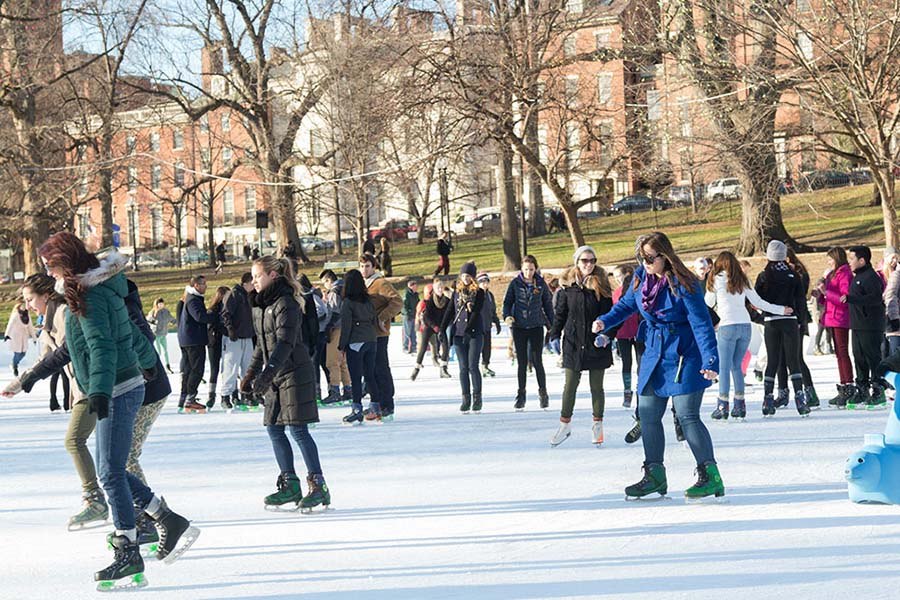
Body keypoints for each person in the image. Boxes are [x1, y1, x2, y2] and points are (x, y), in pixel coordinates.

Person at [38, 233, 197, 589]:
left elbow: (104, 345)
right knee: (113, 469)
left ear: (67, 262)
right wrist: (147, 359)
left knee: (112, 471)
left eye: (50, 266)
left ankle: (129, 548)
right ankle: (165, 518)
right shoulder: (94, 288)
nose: (48, 274)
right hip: (126, 384)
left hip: (119, 389)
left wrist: (98, 391)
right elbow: (121, 333)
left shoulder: (90, 294)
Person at [594, 231, 724, 501]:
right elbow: (627, 305)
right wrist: (605, 321)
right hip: (654, 351)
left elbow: (701, 323)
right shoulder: (641, 279)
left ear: (665, 256)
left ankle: (710, 475)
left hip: (684, 353)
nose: (645, 263)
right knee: (648, 413)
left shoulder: (684, 283)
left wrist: (711, 359)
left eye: (650, 258)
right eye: (640, 257)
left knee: (687, 416)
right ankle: (655, 474)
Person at [4, 273, 105, 528]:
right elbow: (45, 357)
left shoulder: (62, 313)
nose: (27, 305)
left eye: (30, 299)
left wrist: (26, 381)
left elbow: (65, 352)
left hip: (93, 386)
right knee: (112, 456)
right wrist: (19, 383)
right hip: (83, 388)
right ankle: (140, 510)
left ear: (46, 295)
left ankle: (96, 499)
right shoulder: (47, 320)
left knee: (75, 441)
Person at [240, 256, 330, 512]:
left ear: (273, 275)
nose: (254, 281)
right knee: (274, 429)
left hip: (294, 373)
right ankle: (290, 484)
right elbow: (262, 347)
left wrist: (266, 374)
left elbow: (285, 343)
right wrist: (250, 375)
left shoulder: (286, 302)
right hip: (275, 375)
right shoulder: (260, 306)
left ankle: (319, 485)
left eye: (257, 276)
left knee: (298, 430)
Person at [705, 251, 791, 421]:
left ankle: (723, 405)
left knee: (724, 367)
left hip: (727, 325)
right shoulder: (742, 279)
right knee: (736, 366)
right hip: (745, 326)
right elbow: (758, 302)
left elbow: (706, 303)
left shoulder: (715, 279)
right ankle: (739, 405)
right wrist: (782, 309)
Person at [549, 246, 615, 446]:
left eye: (592, 260)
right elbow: (560, 315)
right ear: (577, 262)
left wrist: (606, 335)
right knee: (570, 385)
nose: (588, 264)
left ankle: (597, 425)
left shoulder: (602, 287)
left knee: (597, 387)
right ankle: (564, 425)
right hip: (573, 343)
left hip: (595, 343)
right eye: (584, 260)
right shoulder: (566, 289)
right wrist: (553, 335)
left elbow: (612, 317)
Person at [754, 240, 810, 417]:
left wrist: (762, 315)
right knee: (793, 361)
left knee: (773, 360)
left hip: (771, 321)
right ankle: (800, 399)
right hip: (790, 320)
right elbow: (801, 300)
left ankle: (768, 398)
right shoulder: (793, 275)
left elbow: (757, 299)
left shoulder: (764, 276)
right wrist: (801, 320)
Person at [502, 255, 554, 410]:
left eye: (531, 269)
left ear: (535, 269)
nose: (529, 273)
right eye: (526, 269)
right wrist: (507, 316)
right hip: (519, 327)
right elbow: (507, 302)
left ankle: (543, 393)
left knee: (537, 361)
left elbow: (548, 305)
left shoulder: (541, 283)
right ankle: (521, 394)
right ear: (521, 269)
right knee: (522, 362)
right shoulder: (515, 284)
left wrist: (553, 325)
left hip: (536, 325)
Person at [360, 253, 402, 420]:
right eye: (362, 266)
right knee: (370, 370)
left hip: (379, 333)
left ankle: (387, 404)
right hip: (366, 333)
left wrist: (382, 317)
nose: (364, 269)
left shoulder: (380, 283)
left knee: (380, 368)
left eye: (367, 266)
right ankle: (375, 403)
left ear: (374, 267)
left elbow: (397, 301)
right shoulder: (364, 284)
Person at [774, 248, 818, 409]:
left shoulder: (796, 274)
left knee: (796, 358)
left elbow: (799, 297)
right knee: (781, 358)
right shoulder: (778, 273)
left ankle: (810, 392)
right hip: (782, 318)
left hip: (795, 319)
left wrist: (800, 320)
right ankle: (783, 392)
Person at [845, 245, 887, 409]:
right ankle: (862, 389)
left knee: (872, 358)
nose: (850, 262)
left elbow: (875, 299)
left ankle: (878, 390)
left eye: (852, 259)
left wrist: (851, 299)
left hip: (870, 325)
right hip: (857, 324)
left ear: (862, 260)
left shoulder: (871, 277)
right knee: (858, 356)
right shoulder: (857, 277)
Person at [337, 269, 380, 425]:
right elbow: (374, 319)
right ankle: (376, 406)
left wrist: (341, 346)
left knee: (356, 377)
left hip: (356, 342)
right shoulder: (368, 300)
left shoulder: (348, 302)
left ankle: (357, 409)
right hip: (371, 340)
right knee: (370, 375)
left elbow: (346, 326)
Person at [442, 262, 485, 413]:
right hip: (459, 334)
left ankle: (477, 398)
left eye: (469, 276)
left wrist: (468, 329)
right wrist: (442, 328)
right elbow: (450, 310)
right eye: (464, 275)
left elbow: (476, 312)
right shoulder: (456, 292)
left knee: (473, 366)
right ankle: (465, 398)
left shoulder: (479, 293)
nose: (466, 278)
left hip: (474, 333)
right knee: (463, 368)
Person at [820, 247, 854, 406]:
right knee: (839, 354)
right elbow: (829, 296)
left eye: (830, 259)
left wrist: (826, 292)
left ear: (837, 259)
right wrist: (820, 295)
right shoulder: (833, 274)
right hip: (832, 317)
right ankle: (844, 384)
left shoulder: (845, 274)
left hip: (840, 318)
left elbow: (843, 298)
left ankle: (848, 384)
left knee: (842, 351)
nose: (828, 263)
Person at [219, 273, 255, 410]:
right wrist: (230, 330)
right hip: (234, 338)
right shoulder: (234, 294)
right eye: (253, 282)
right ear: (246, 282)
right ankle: (225, 395)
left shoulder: (250, 295)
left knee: (248, 368)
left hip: (247, 336)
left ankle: (246, 393)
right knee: (231, 367)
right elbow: (225, 314)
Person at [177, 275, 210, 413]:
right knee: (197, 369)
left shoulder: (190, 298)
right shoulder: (193, 300)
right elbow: (200, 317)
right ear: (196, 285)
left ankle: (184, 398)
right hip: (194, 340)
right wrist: (215, 317)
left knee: (189, 370)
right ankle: (190, 399)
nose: (206, 286)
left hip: (188, 339)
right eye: (203, 284)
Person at [319, 269, 352, 404]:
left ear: (328, 280)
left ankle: (335, 390)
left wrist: (328, 327)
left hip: (336, 328)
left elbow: (334, 311)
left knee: (332, 361)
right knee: (343, 361)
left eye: (324, 283)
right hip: (347, 328)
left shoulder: (334, 291)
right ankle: (348, 389)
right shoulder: (345, 288)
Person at [613, 264, 643, 409]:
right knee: (626, 362)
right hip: (623, 332)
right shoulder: (616, 292)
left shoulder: (636, 289)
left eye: (620, 276)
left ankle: (640, 388)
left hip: (637, 330)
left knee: (640, 361)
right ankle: (627, 389)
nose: (618, 280)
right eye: (616, 277)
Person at [411, 277, 452, 380]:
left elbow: (449, 314)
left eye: (441, 287)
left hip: (441, 327)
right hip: (430, 326)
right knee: (423, 347)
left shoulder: (447, 301)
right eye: (438, 287)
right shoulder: (430, 301)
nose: (440, 289)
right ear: (434, 289)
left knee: (446, 346)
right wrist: (434, 326)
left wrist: (442, 327)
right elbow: (426, 317)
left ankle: (443, 368)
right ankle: (416, 368)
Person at [205, 286, 229, 409]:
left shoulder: (228, 308)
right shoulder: (213, 310)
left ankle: (228, 395)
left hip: (225, 342)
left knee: (228, 369)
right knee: (214, 369)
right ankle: (211, 395)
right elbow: (211, 326)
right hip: (214, 343)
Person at [477, 272, 501, 377]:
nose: (484, 284)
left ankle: (485, 366)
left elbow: (492, 310)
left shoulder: (490, 295)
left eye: (486, 281)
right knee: (477, 348)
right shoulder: (476, 294)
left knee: (487, 348)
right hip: (477, 326)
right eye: (482, 282)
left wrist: (496, 321)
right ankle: (473, 367)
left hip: (487, 325)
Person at [5, 302, 35, 377]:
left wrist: (34, 337)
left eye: (25, 305)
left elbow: (30, 326)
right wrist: (7, 334)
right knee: (18, 353)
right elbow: (10, 324)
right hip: (16, 336)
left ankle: (14, 363)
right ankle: (14, 366)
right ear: (19, 306)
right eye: (22, 305)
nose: (24, 307)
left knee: (23, 353)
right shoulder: (16, 314)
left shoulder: (27, 314)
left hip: (24, 335)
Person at [146, 299, 174, 374]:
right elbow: (148, 320)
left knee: (165, 351)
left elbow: (171, 319)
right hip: (156, 334)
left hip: (163, 334)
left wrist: (177, 321)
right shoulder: (153, 312)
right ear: (156, 304)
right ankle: (157, 367)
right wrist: (154, 322)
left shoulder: (166, 312)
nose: (161, 305)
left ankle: (167, 366)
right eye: (160, 304)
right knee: (159, 351)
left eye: (162, 304)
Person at [883, 247, 900, 357]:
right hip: (887, 317)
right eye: (892, 257)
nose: (894, 261)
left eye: (897, 258)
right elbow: (889, 295)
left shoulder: (896, 274)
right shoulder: (881, 275)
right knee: (885, 351)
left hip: (894, 316)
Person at [401, 279, 420, 354]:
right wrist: (407, 314)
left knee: (413, 332)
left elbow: (418, 303)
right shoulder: (406, 294)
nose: (416, 288)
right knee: (407, 332)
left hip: (414, 315)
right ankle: (405, 347)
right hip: (408, 316)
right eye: (415, 286)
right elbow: (404, 306)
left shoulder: (416, 294)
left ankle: (413, 347)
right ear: (411, 286)